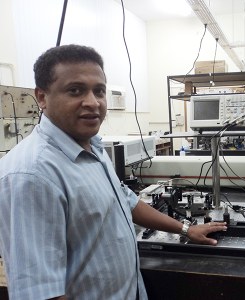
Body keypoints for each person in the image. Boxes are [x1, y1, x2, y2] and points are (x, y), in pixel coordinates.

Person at [0, 44, 227, 300]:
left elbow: (125, 201)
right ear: (41, 97)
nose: (92, 102)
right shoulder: (32, 175)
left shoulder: (91, 146)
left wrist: (185, 229)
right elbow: (40, 293)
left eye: (99, 91)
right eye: (75, 90)